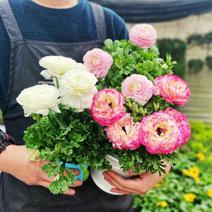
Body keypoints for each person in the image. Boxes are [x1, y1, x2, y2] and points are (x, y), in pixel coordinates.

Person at [0, 0, 171, 211]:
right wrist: (6, 158)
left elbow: (147, 110)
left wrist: (159, 161)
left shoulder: (109, 23)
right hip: (29, 201)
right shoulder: (3, 21)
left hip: (110, 198)